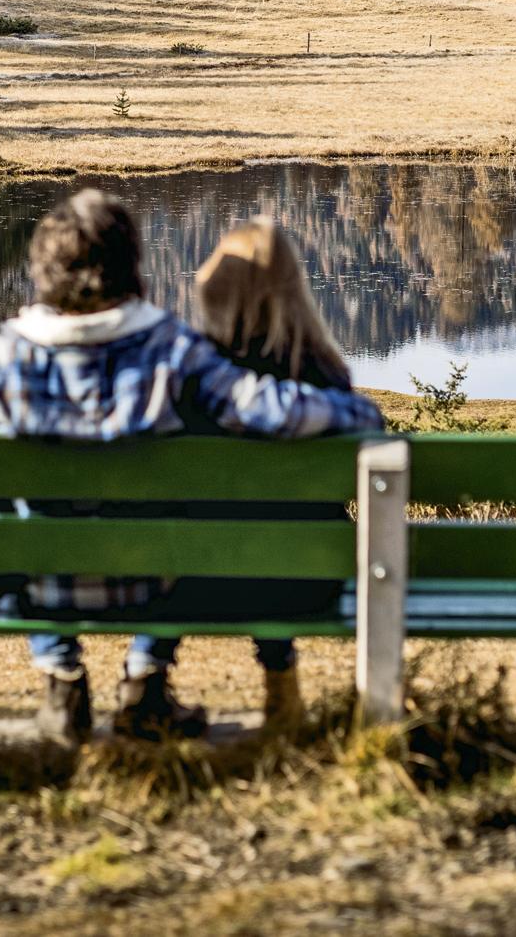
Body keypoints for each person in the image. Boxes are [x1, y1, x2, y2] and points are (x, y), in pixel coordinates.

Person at [0, 189, 384, 744]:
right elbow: (264, 408)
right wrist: (360, 412)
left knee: (15, 534)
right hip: (154, 582)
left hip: (38, 587)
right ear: (130, 266)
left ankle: (62, 680)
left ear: (42, 270)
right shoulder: (171, 353)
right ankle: (145, 685)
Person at [189, 217, 354, 732]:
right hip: (311, 579)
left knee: (235, 533)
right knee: (277, 535)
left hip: (192, 576)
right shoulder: (325, 377)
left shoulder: (197, 379)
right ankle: (281, 689)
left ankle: (144, 681)